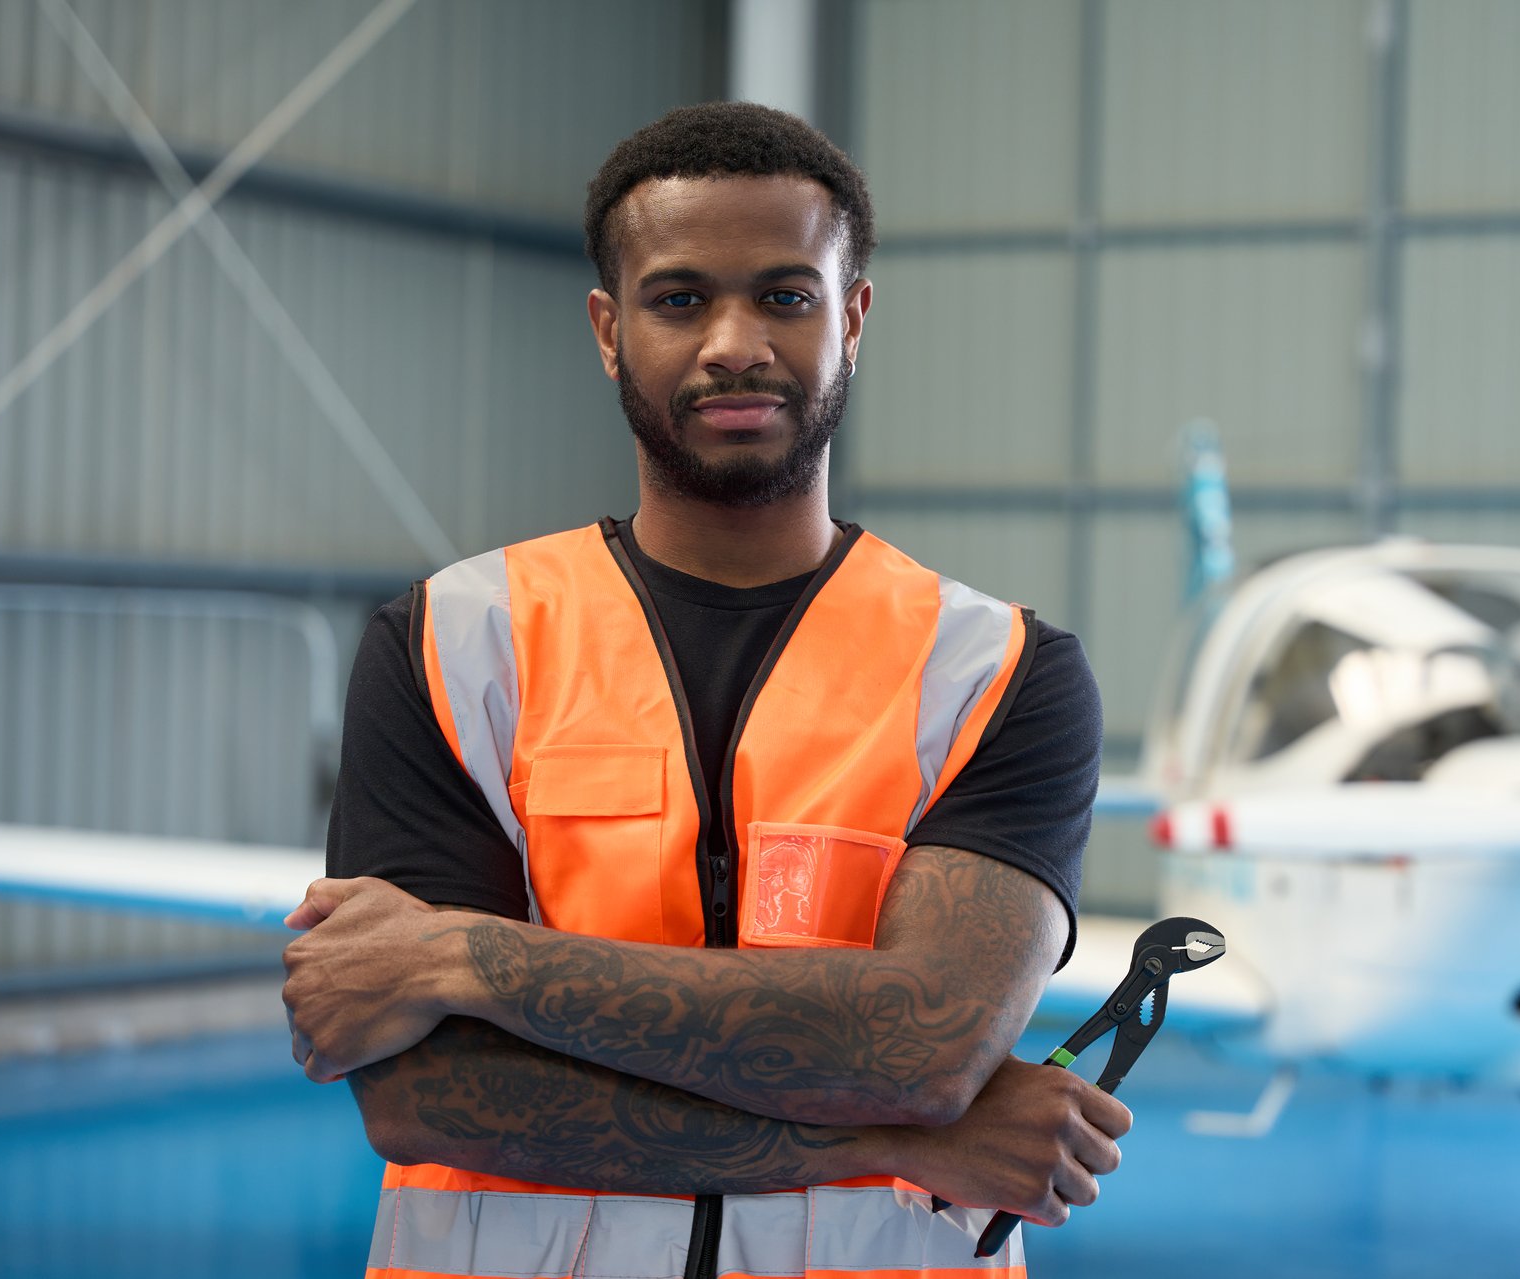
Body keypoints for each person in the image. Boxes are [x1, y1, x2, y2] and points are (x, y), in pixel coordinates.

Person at [280, 101, 1127, 1279]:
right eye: (681, 299)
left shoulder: (996, 673)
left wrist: (463, 955)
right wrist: (895, 1139)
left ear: (855, 316)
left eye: (787, 295)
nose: (735, 341)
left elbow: (923, 1043)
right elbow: (429, 1098)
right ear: (609, 329)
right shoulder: (450, 642)